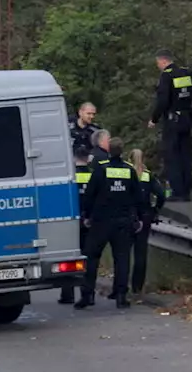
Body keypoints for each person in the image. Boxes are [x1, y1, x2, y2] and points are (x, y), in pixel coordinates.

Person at [77, 131, 143, 309]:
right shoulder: (129, 171)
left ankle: (87, 295)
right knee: (122, 260)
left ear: (109, 150)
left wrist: (87, 216)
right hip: (123, 222)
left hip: (101, 221)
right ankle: (121, 296)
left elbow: (90, 194)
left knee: (91, 257)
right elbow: (138, 197)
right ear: (121, 152)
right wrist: (137, 218)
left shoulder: (101, 169)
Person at [147, 49, 192, 201]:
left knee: (172, 156)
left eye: (158, 63)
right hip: (187, 119)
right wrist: (190, 94)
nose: (158, 66)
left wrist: (154, 119)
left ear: (163, 61)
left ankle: (177, 193)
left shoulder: (166, 76)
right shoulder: (186, 72)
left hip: (172, 120)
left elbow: (163, 101)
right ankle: (186, 191)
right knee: (185, 156)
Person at [58, 109, 101, 306]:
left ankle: (67, 294)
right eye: (89, 113)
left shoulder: (69, 177)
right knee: (89, 256)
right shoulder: (94, 174)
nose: (91, 116)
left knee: (68, 255)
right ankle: (87, 294)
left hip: (72, 218)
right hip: (89, 218)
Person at [127, 148, 165, 298]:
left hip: (128, 216)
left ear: (129, 159)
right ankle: (138, 287)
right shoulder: (148, 176)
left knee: (123, 253)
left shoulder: (126, 173)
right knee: (141, 253)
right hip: (145, 216)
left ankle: (123, 286)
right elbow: (161, 195)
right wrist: (155, 210)